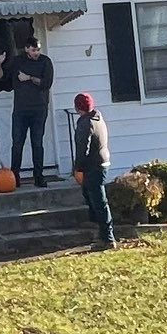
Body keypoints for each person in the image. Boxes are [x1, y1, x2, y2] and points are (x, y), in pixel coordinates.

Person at [6, 29, 57, 186]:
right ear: (27, 48)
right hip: (20, 110)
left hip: (39, 109)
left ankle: (39, 176)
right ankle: (14, 177)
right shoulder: (18, 61)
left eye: (38, 49)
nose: (37, 53)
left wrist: (28, 78)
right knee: (17, 143)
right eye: (34, 50)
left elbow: (46, 83)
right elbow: (3, 78)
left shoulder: (45, 62)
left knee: (37, 142)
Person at [70, 90, 113, 247]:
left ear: (77, 108)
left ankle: (107, 238)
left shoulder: (85, 123)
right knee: (90, 196)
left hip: (93, 166)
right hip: (103, 162)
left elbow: (83, 149)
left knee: (99, 201)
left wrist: (77, 168)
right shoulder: (98, 118)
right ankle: (99, 231)